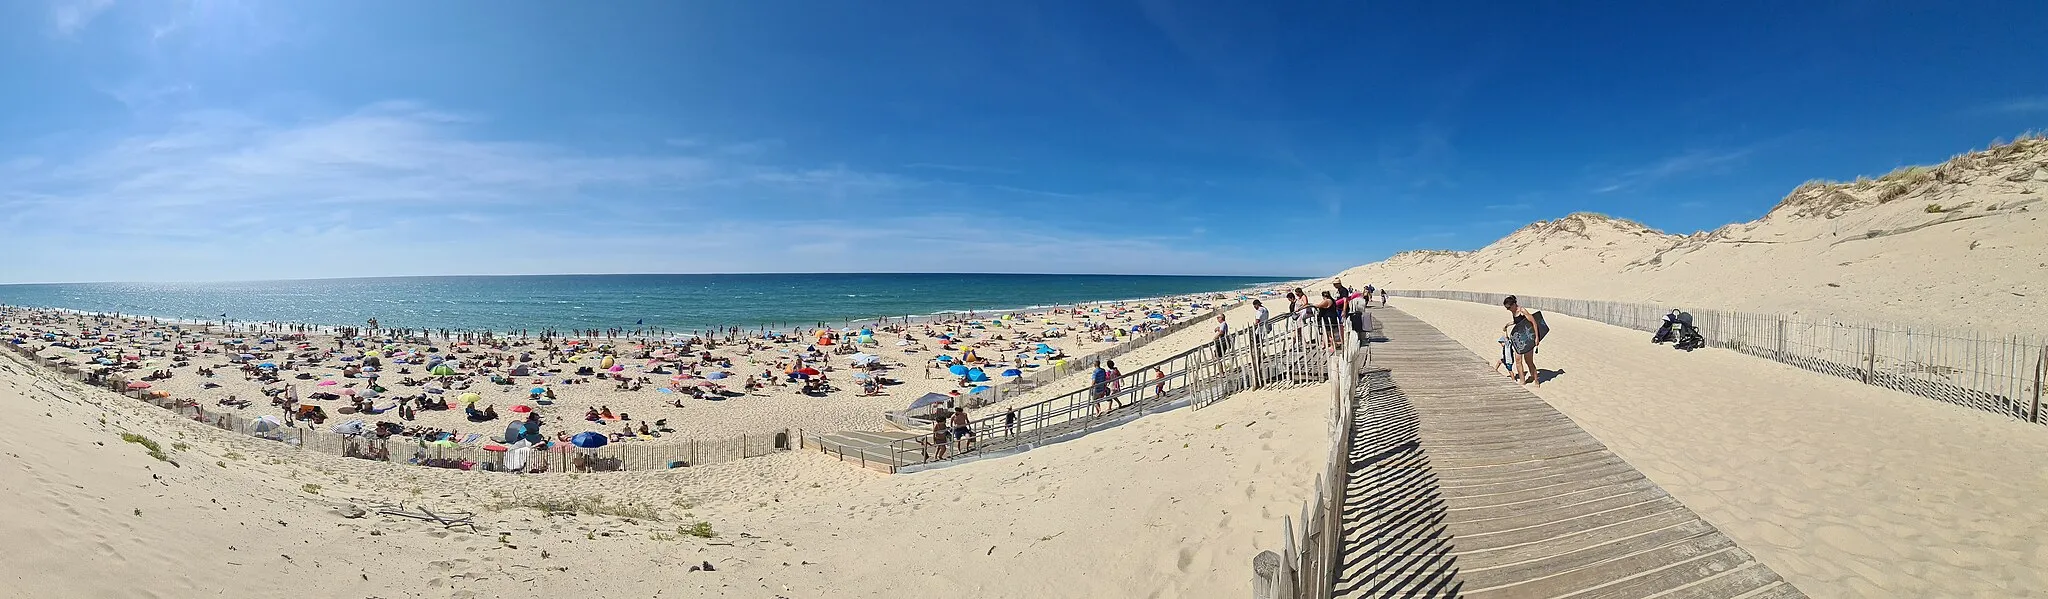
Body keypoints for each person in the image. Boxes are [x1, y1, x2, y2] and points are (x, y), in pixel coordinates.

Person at [1504, 295, 1542, 387]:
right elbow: (1518, 321)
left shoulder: (1522, 311)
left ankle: (1536, 380)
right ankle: (1522, 380)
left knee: (1528, 361)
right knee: (1518, 360)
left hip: (1528, 338)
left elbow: (1533, 322)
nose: (1508, 309)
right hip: (1519, 338)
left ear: (1514, 304)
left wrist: (1537, 337)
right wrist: (1508, 324)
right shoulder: (1513, 311)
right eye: (1506, 308)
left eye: (1509, 307)